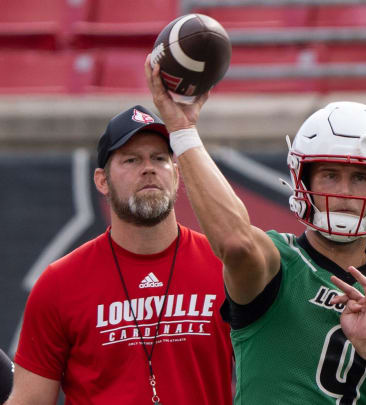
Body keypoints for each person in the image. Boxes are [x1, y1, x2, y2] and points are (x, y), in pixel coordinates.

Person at [145, 59, 366, 405]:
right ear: (302, 180)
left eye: (360, 178)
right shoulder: (276, 261)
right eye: (329, 176)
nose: (344, 192)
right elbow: (235, 242)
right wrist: (183, 131)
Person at [8, 106, 234, 405]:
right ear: (102, 181)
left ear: (177, 175)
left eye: (159, 158)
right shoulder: (59, 284)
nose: (149, 168)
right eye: (131, 159)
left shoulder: (225, 268)